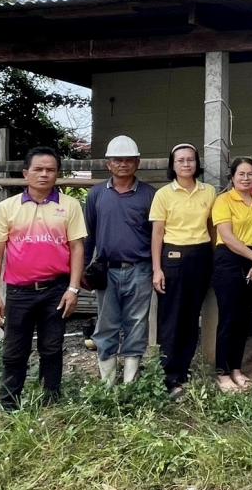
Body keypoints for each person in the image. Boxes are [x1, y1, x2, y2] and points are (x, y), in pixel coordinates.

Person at [0, 146, 87, 410]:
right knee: (14, 351)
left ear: (58, 174)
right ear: (25, 173)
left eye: (50, 170)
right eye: (38, 169)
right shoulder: (7, 208)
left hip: (56, 290)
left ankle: (50, 403)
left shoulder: (70, 206)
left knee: (52, 348)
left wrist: (73, 289)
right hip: (19, 292)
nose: (44, 175)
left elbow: (77, 248)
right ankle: (9, 405)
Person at [86, 135, 156, 386]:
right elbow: (89, 234)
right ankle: (107, 384)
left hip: (140, 269)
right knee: (107, 324)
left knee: (137, 324)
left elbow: (157, 236)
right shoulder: (96, 195)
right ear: (108, 164)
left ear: (137, 163)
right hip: (107, 270)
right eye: (118, 160)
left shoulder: (149, 195)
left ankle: (129, 381)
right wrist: (84, 269)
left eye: (129, 160)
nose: (123, 164)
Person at [149, 143, 217, 398]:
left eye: (190, 159)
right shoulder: (164, 194)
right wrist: (157, 269)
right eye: (181, 160)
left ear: (197, 163)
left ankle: (184, 371)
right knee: (172, 318)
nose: (186, 164)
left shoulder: (208, 191)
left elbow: (212, 227)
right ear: (173, 164)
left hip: (200, 257)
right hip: (173, 257)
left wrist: (213, 257)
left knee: (191, 318)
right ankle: (169, 376)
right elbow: (157, 233)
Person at [212, 157, 252, 392]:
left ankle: (236, 368)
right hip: (229, 258)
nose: (246, 178)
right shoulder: (223, 200)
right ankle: (222, 372)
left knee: (244, 317)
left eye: (250, 174)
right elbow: (226, 236)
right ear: (232, 177)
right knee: (229, 317)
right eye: (241, 174)